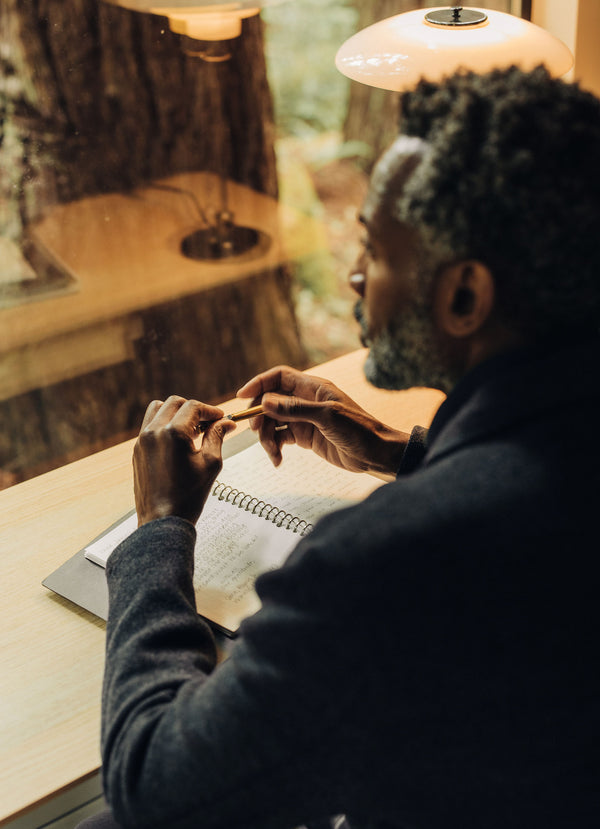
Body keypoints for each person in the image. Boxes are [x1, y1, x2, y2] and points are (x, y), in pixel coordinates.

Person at [79, 66, 600, 829]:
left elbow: (154, 786)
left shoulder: (391, 558)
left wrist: (160, 526)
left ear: (463, 296)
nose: (355, 278)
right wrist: (400, 450)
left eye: (375, 251)